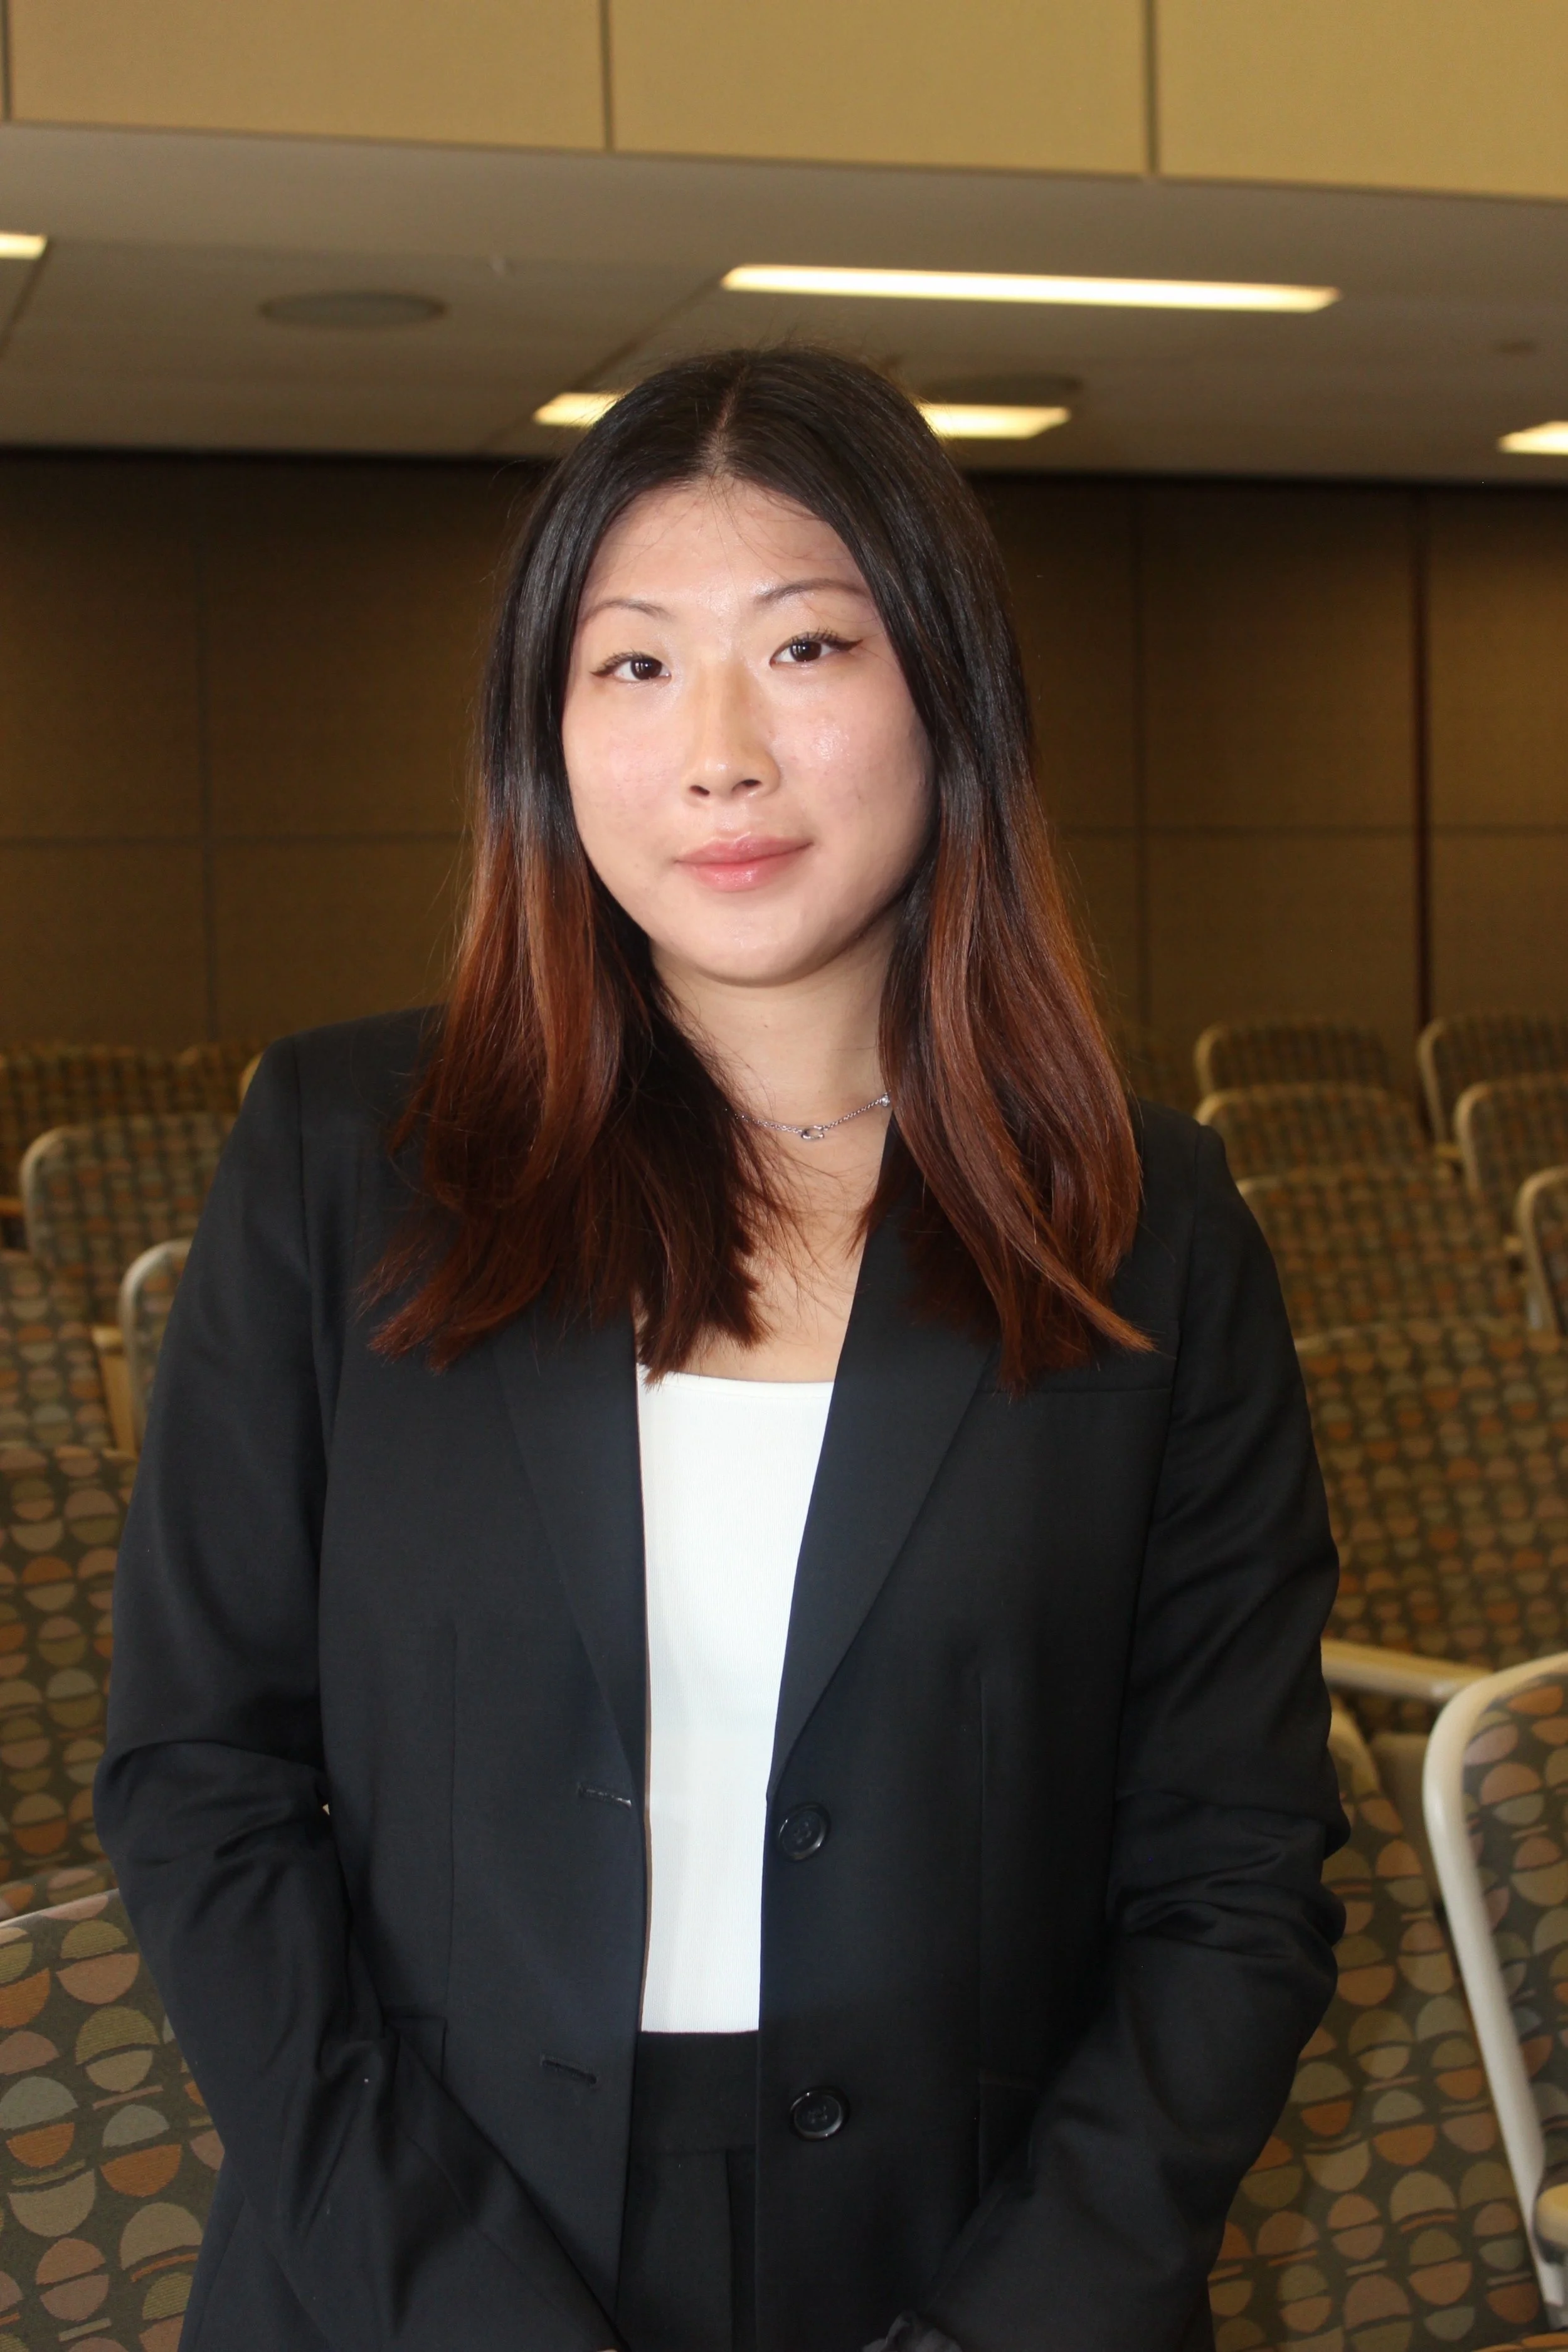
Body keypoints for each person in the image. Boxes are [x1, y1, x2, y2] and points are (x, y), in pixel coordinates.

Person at [97, 345, 1345, 2352]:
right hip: (411, 2258)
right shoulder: (348, 1159)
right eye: (635, 664)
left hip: (965, 2263)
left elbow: (1231, 1871)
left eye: (805, 647)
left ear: (946, 689)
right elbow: (201, 1781)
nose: (719, 755)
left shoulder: (1144, 1219)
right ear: (547, 728)